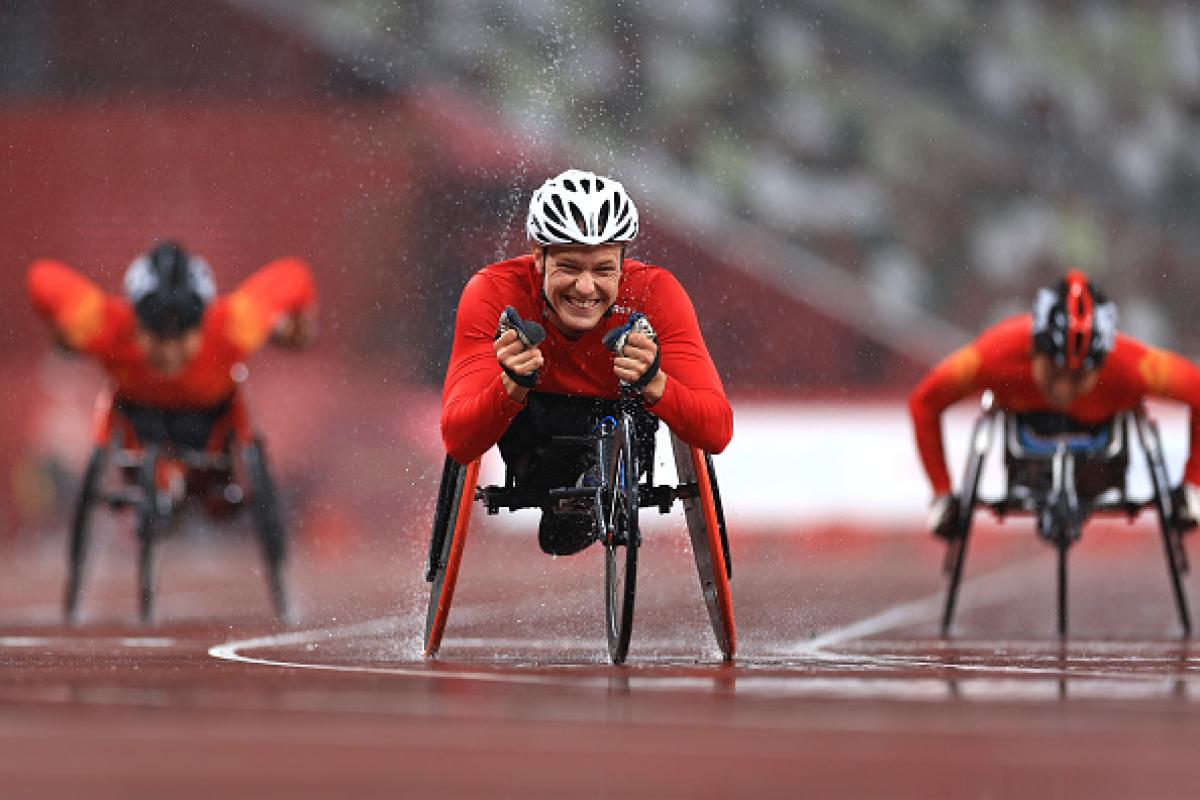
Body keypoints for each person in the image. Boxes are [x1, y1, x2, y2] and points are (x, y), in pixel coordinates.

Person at [441, 169, 733, 555]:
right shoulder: (494, 292)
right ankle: (575, 502)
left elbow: (716, 431)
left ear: (623, 263)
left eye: (603, 269)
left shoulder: (656, 293)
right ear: (538, 257)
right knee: (558, 538)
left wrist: (654, 381)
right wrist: (511, 385)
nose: (585, 288)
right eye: (569, 267)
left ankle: (607, 475)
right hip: (535, 433)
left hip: (622, 420)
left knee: (631, 413)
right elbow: (459, 441)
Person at [909, 269, 1200, 538]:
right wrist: (942, 491)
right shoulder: (996, 353)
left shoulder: (1132, 365)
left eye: (1078, 377)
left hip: (1099, 449)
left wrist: (1192, 484)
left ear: (1102, 362)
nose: (1062, 389)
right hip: (1028, 440)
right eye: (1053, 372)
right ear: (1033, 348)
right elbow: (925, 401)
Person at [27, 241, 317, 459]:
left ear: (203, 324)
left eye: (180, 338)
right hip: (137, 422)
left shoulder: (232, 324)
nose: (168, 352)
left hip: (211, 426)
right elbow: (40, 277)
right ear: (134, 321)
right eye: (157, 336)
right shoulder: (108, 324)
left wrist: (300, 326)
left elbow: (295, 274)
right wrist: (65, 326)